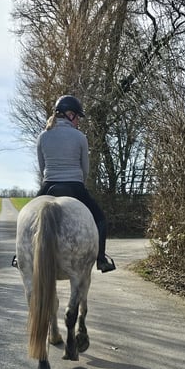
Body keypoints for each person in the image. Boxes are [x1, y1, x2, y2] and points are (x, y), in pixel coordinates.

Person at [34, 95, 116, 273]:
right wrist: (80, 182)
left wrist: (50, 177)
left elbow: (42, 167)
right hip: (75, 186)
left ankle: (20, 256)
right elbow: (85, 168)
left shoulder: (42, 137)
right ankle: (101, 260)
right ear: (69, 114)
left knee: (29, 218)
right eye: (77, 116)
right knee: (101, 220)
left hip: (48, 185)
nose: (78, 120)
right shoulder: (80, 137)